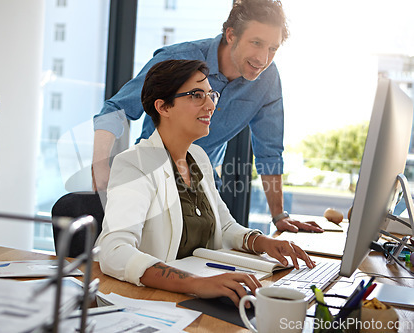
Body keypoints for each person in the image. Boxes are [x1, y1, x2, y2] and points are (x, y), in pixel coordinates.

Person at [96, 59, 315, 306]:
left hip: (201, 295)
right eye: (196, 95)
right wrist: (194, 283)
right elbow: (113, 251)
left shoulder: (198, 157)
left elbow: (224, 227)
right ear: (163, 107)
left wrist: (264, 242)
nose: (210, 104)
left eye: (211, 95)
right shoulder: (135, 163)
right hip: (156, 301)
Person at [92, 0, 323, 233]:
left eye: (273, 48)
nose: (263, 59)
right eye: (256, 43)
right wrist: (101, 168)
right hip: (153, 181)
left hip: (204, 187)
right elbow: (116, 109)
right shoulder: (179, 60)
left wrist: (279, 216)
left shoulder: (267, 80)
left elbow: (269, 151)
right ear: (231, 35)